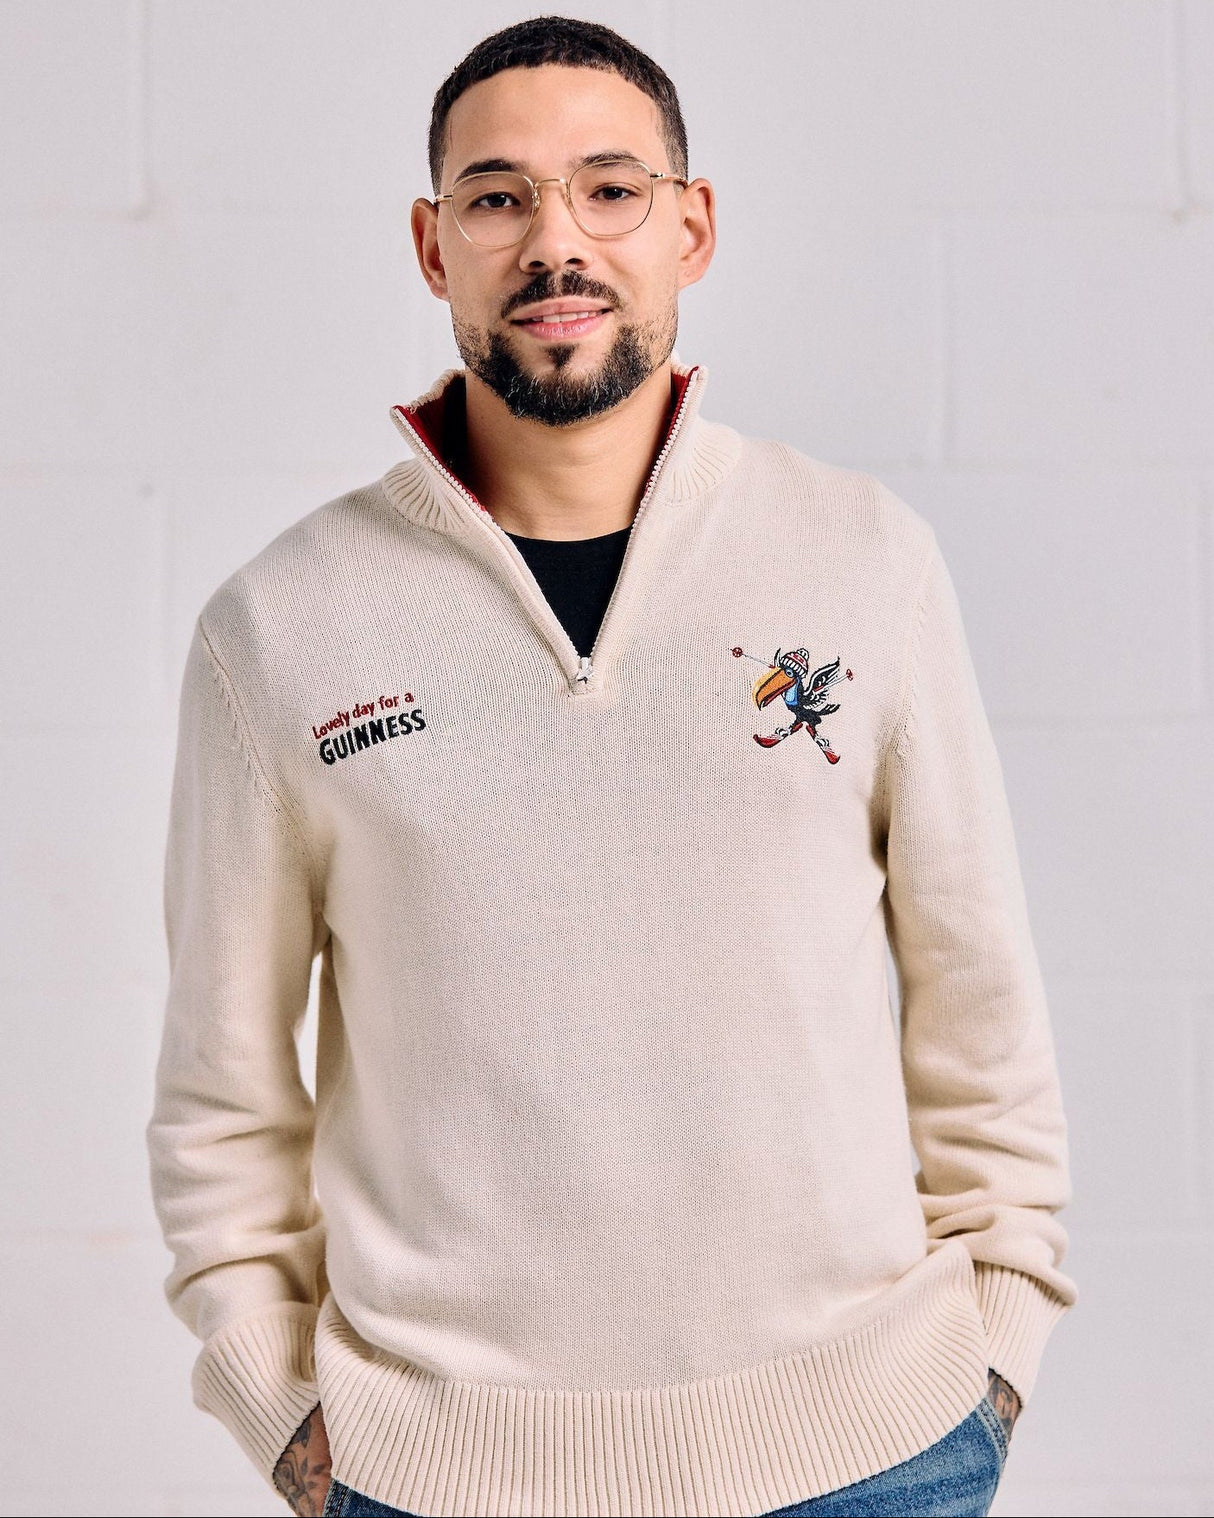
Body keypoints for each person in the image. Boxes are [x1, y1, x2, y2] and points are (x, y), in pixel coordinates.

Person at [146, 15, 1077, 1518]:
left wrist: (1001, 1337)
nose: (553, 241)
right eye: (497, 195)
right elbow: (224, 1094)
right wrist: (281, 1404)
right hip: (433, 1479)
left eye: (609, 189)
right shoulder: (281, 627)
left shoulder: (861, 558)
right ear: (430, 242)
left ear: (691, 226)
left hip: (872, 1455)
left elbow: (976, 996)